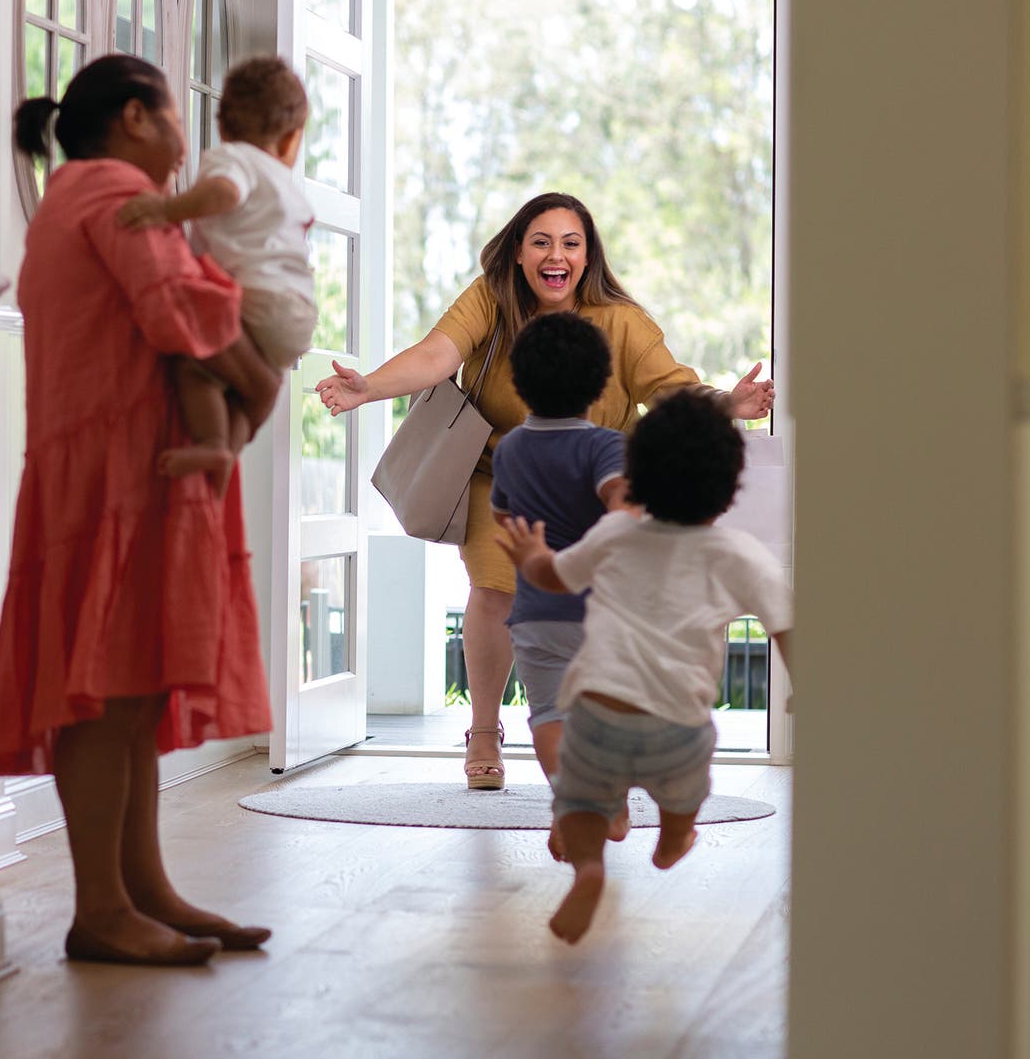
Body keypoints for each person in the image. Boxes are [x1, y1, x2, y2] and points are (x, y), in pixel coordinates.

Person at [313, 192, 776, 790]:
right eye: (541, 241)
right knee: (494, 591)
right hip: (501, 468)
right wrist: (366, 388)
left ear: (587, 258)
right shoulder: (490, 298)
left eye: (570, 243)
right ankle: (484, 730)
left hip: (596, 471)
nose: (555, 255)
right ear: (519, 251)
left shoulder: (621, 320)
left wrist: (728, 405)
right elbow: (436, 355)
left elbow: (670, 388)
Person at [0, 54, 273, 966]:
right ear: (134, 117)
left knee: (132, 685)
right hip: (119, 468)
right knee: (105, 691)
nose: (186, 147)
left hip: (121, 463)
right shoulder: (112, 188)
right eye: (175, 120)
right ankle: (102, 908)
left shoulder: (73, 193)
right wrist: (258, 378)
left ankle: (140, 889)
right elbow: (178, 309)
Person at [493, 391, 793, 943]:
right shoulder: (739, 554)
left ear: (638, 476)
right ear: (729, 489)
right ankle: (675, 834)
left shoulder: (615, 533)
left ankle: (588, 869)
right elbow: (787, 624)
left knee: (581, 805)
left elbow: (556, 576)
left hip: (593, 715)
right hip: (676, 725)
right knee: (685, 792)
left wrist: (531, 557)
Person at [117, 55, 313, 495]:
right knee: (249, 393)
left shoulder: (233, 158)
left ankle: (210, 441)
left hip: (257, 299)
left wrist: (167, 209)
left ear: (223, 127)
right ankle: (226, 451)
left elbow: (223, 193)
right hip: (297, 315)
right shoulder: (284, 181)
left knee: (192, 360)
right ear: (289, 141)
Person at [487, 313, 632, 787]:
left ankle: (573, 799)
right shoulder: (607, 445)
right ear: (600, 386)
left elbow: (503, 517)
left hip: (535, 612)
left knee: (549, 714)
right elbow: (623, 505)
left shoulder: (510, 448)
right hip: (602, 612)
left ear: (519, 383)